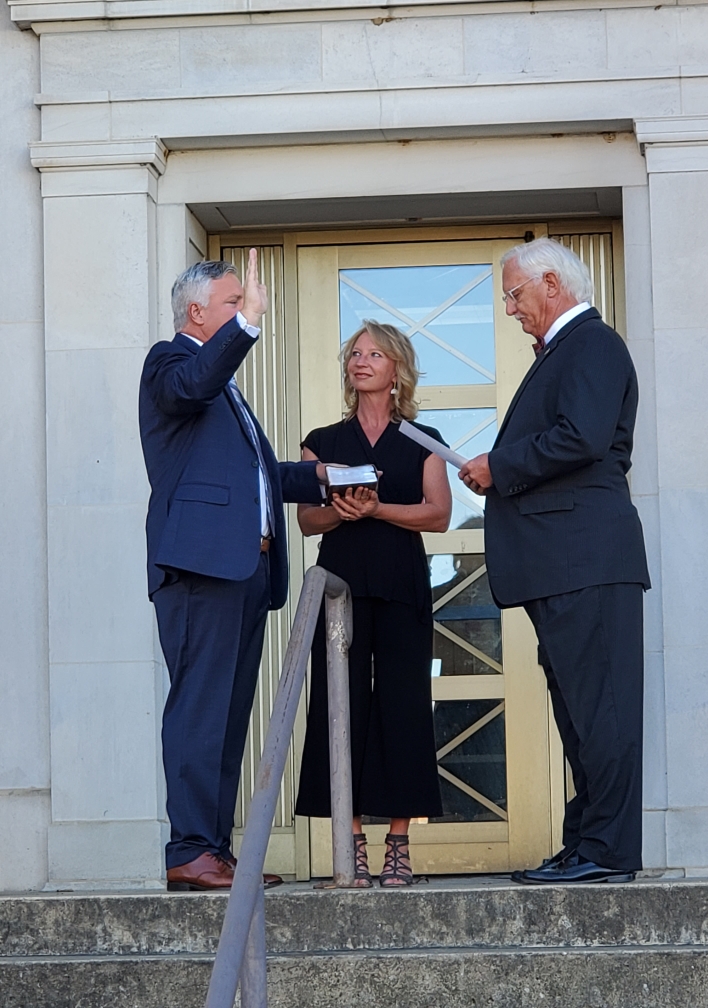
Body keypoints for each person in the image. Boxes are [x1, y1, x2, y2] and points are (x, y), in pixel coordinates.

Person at [460, 238, 650, 885]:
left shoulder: (592, 344)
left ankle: (608, 850)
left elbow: (583, 436)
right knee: (579, 711)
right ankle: (587, 842)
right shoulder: (565, 353)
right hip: (562, 564)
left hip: (585, 559)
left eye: (514, 294)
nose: (510, 308)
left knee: (602, 710)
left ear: (549, 283)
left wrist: (499, 465)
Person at [139, 252, 331, 891]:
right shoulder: (170, 365)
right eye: (231, 304)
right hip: (200, 569)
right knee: (200, 708)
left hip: (246, 570)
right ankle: (189, 850)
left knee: (226, 717)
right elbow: (191, 385)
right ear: (197, 314)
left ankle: (212, 852)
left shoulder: (221, 387)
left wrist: (323, 482)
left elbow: (257, 478)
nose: (245, 314)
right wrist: (244, 327)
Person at [294, 321, 451, 887]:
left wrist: (379, 509)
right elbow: (307, 519)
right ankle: (352, 841)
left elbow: (438, 514)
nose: (362, 361)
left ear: (396, 369)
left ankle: (399, 845)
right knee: (342, 706)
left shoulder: (422, 438)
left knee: (404, 707)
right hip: (341, 585)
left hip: (402, 585)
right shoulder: (323, 441)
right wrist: (343, 512)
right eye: (355, 354)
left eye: (374, 354)